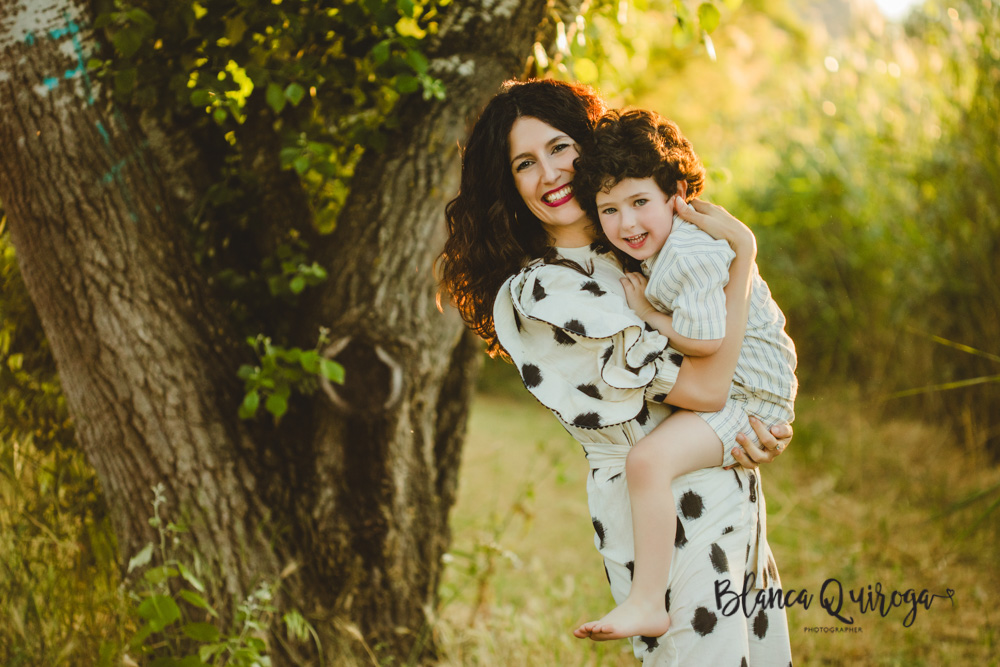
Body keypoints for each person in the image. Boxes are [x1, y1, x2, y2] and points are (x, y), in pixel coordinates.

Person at [438, 78, 794, 665]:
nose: (549, 173)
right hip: (668, 521)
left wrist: (757, 426)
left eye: (559, 147)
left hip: (727, 490)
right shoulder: (543, 293)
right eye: (525, 163)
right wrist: (744, 258)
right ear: (509, 184)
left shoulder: (637, 245)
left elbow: (735, 367)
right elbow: (707, 389)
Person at [569, 108, 798, 641]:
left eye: (640, 202)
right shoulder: (665, 247)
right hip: (742, 389)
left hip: (750, 397)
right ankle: (649, 598)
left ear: (676, 194)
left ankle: (647, 601)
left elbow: (707, 341)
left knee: (648, 460)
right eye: (609, 209)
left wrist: (648, 314)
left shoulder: (689, 254)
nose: (627, 224)